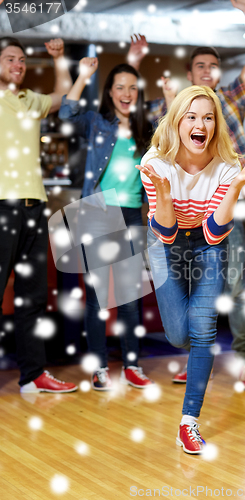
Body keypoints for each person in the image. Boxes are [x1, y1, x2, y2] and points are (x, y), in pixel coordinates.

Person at [129, 0, 245, 389]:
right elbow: (135, 113)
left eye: (213, 65)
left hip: (225, 206)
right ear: (190, 74)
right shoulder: (175, 107)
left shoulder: (232, 98)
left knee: (236, 284)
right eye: (200, 66)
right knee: (186, 293)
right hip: (180, 214)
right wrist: (134, 65)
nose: (208, 71)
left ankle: (243, 360)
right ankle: (198, 352)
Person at [137, 85, 245, 454]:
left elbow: (215, 232)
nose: (201, 124)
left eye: (209, 117)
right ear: (178, 121)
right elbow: (164, 232)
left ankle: (188, 423)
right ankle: (191, 352)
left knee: (204, 330)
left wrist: (236, 188)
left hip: (208, 243)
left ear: (216, 124)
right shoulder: (156, 162)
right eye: (192, 116)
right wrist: (164, 196)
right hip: (165, 243)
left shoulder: (227, 166)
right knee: (180, 335)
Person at [59, 58, 154, 390]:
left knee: (130, 297)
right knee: (98, 297)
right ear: (109, 93)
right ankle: (99, 366)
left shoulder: (148, 129)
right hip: (96, 212)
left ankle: (131, 365)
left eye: (131, 88)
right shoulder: (98, 123)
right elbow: (65, 113)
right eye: (119, 88)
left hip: (130, 214)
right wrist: (83, 75)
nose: (126, 93)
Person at [0, 37, 77, 393]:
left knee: (32, 297)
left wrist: (59, 58)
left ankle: (33, 375)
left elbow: (63, 96)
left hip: (34, 205)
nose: (18, 64)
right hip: (2, 206)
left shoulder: (29, 99)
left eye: (21, 59)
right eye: (9, 59)